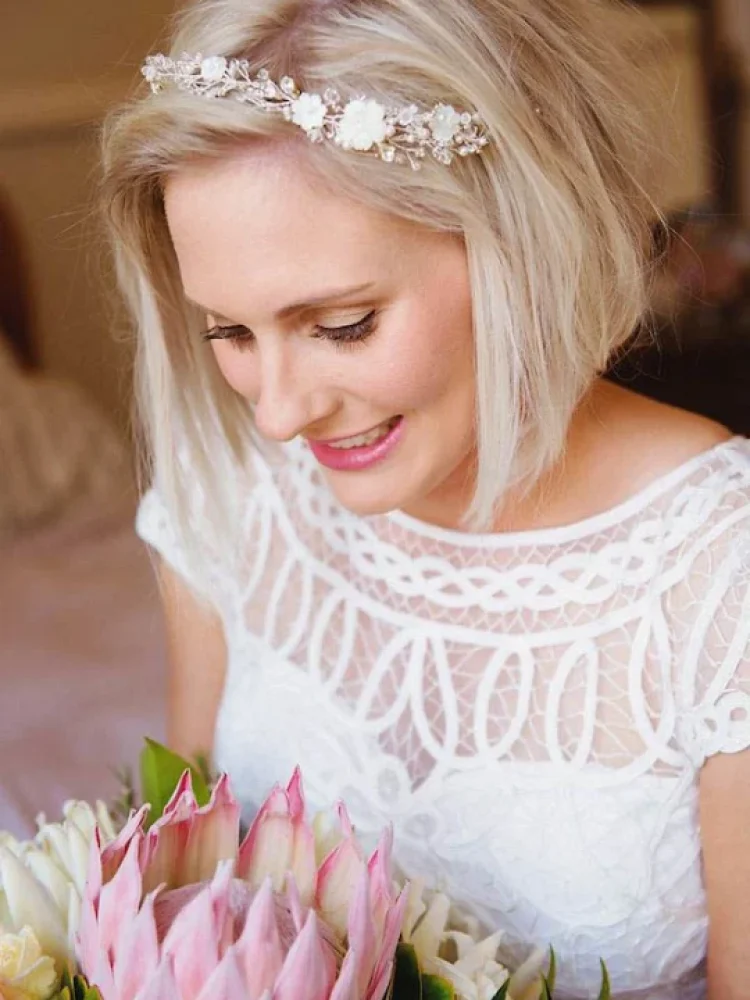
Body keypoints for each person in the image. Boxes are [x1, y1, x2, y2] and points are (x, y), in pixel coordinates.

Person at [100, 0, 750, 996]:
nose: (277, 416)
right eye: (228, 332)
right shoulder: (229, 493)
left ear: (528, 242)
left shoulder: (718, 571)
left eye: (343, 324)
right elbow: (188, 888)